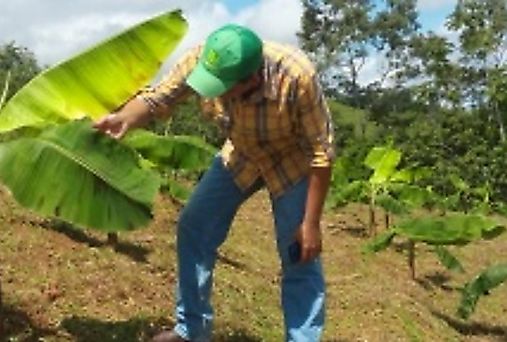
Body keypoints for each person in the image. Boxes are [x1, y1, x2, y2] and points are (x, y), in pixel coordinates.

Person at [94, 23, 334, 342]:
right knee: (194, 226)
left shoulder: (296, 76)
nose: (209, 91)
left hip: (292, 160)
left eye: (221, 86)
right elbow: (158, 100)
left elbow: (322, 152)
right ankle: (191, 330)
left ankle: (302, 337)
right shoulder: (205, 61)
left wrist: (311, 223)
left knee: (298, 252)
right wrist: (123, 118)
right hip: (242, 154)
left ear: (251, 80)